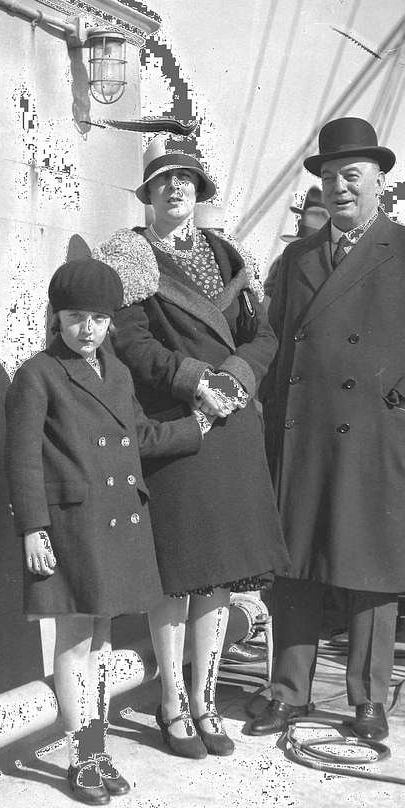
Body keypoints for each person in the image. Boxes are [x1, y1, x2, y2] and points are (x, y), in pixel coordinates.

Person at [255, 117, 405, 741]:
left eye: (352, 176)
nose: (339, 188)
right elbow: (278, 344)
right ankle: (288, 693)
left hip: (375, 437)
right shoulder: (297, 258)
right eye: (329, 177)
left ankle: (368, 700)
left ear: (379, 182)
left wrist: (400, 409)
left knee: (371, 570)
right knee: (295, 566)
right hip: (303, 433)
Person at [92, 149, 290, 759]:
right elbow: (130, 339)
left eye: (184, 180)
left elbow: (264, 335)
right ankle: (171, 705)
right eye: (162, 181)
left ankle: (206, 704)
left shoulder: (231, 255)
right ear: (146, 193)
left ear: (198, 189)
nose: (174, 189)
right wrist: (195, 380)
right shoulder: (127, 257)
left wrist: (235, 375)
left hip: (233, 428)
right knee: (176, 577)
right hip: (180, 426)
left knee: (219, 581)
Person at [4, 259, 212, 804]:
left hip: (115, 524)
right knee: (75, 643)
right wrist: (33, 529)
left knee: (100, 646)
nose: (88, 329)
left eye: (98, 319)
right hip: (71, 528)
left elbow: (138, 435)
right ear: (57, 318)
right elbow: (22, 460)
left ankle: (96, 751)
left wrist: (196, 429)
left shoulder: (116, 373)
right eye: (76, 318)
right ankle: (82, 758)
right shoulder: (37, 374)